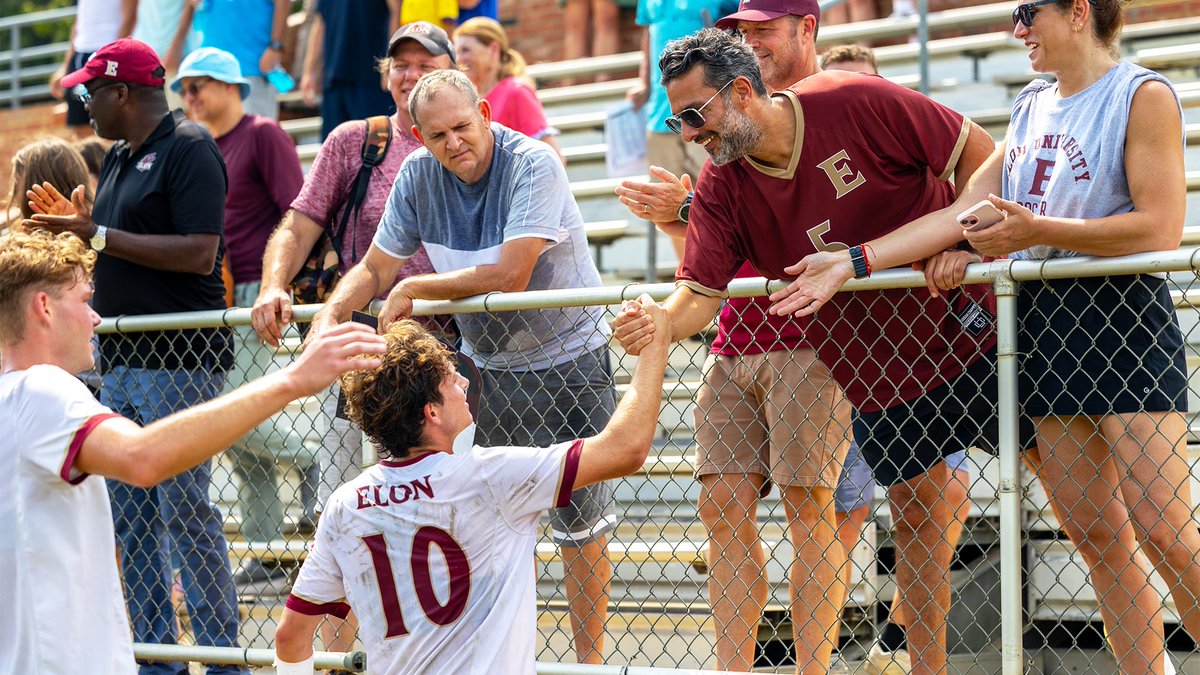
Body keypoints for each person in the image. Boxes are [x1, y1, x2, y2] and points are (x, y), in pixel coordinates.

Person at [773, 1, 1194, 671]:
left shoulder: (1140, 93)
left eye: (1030, 11)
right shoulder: (1032, 103)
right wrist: (861, 260)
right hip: (1044, 321)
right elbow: (965, 211)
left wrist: (1037, 232)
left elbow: (1160, 228)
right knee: (1095, 536)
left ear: (1079, 10)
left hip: (1122, 319)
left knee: (1164, 529)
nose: (1018, 28)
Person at [612, 27, 1004, 675]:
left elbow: (981, 152)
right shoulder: (718, 182)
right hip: (851, 363)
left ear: (741, 91)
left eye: (693, 114)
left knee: (1071, 517)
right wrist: (658, 321)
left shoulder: (853, 97)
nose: (686, 133)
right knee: (901, 535)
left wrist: (960, 239)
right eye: (675, 119)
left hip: (949, 335)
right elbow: (698, 296)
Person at [309, 69, 618, 665]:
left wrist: (417, 286)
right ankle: (504, 661)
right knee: (492, 523)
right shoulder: (417, 175)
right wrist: (331, 314)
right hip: (486, 370)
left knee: (580, 525)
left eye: (462, 126)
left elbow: (512, 273)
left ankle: (590, 665)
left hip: (569, 360)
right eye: (437, 134)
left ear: (484, 111)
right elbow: (374, 269)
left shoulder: (533, 162)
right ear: (418, 137)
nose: (453, 142)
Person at [0, 226, 386, 675]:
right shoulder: (40, 389)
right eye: (84, 300)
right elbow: (142, 458)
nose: (96, 317)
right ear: (43, 307)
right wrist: (293, 380)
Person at [273, 305, 668, 673]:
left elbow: (290, 637)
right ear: (431, 412)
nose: (463, 382)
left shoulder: (346, 503)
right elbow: (626, 449)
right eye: (450, 379)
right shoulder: (491, 476)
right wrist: (656, 346)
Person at [27, 37, 247, 675]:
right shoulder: (122, 156)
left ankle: (221, 657)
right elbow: (121, 244)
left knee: (185, 507)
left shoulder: (190, 147)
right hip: (122, 358)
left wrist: (94, 231)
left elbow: (200, 252)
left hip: (178, 358)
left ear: (123, 92)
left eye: (92, 92)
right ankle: (158, 659)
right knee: (131, 515)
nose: (85, 104)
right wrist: (86, 229)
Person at [252, 20, 457, 650]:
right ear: (385, 73)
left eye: (426, 62)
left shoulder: (467, 142)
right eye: (400, 63)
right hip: (364, 337)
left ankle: (439, 642)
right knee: (345, 500)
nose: (410, 73)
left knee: (448, 502)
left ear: (454, 74)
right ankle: (342, 653)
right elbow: (301, 221)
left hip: (455, 344)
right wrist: (273, 283)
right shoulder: (355, 141)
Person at [818, 42, 973, 674]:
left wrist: (959, 243)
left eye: (867, 89)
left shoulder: (915, 141)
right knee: (846, 514)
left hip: (933, 350)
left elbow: (976, 200)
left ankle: (900, 642)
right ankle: (825, 659)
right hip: (850, 359)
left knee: (944, 502)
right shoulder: (816, 167)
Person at [171, 46, 315, 583]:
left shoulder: (262, 134)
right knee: (236, 430)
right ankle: (270, 549)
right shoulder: (196, 143)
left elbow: (298, 214)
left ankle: (313, 460)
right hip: (216, 293)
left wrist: (280, 288)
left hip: (260, 289)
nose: (190, 97)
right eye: (185, 88)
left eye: (201, 85)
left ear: (234, 86)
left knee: (239, 416)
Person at [626, 0, 738, 262]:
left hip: (705, 114)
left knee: (719, 196)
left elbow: (736, 33)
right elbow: (649, 35)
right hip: (659, 117)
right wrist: (644, 83)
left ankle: (731, 270)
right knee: (670, 208)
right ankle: (687, 272)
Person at [453, 17, 565, 162]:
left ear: (493, 49)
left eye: (466, 50)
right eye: (457, 52)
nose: (459, 59)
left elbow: (552, 158)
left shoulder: (517, 92)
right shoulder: (467, 96)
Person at [300, 0, 400, 139]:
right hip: (334, 79)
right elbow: (321, 20)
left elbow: (396, 10)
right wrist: (309, 71)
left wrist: (391, 61)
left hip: (372, 80)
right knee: (334, 151)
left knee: (376, 152)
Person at [188, 0, 293, 118]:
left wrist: (275, 46)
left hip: (253, 66)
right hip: (210, 70)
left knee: (257, 133)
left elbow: (283, 2)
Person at [49, 0, 135, 137]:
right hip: (80, 55)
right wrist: (65, 66)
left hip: (108, 52)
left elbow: (130, 15)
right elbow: (80, 21)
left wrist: (114, 54)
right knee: (80, 131)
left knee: (110, 128)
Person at [5, 138, 93, 226]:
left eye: (16, 183)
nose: (12, 194)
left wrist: (85, 231)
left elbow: (100, 239)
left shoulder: (99, 228)